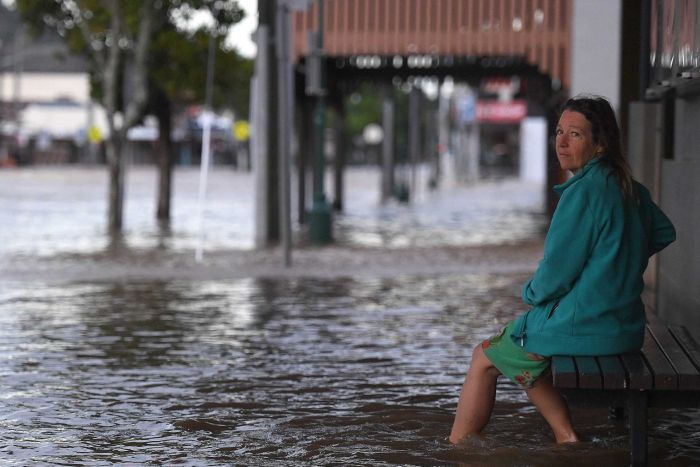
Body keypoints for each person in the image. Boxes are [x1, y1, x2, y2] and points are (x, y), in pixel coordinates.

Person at [449, 95, 676, 444]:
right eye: (559, 132)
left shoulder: (582, 193)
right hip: (625, 326)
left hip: (587, 326)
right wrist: (618, 262)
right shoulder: (629, 187)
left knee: (485, 356)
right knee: (516, 348)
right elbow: (664, 232)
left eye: (576, 134)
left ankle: (458, 450)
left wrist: (530, 293)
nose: (562, 142)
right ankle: (565, 436)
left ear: (599, 145)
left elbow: (554, 275)